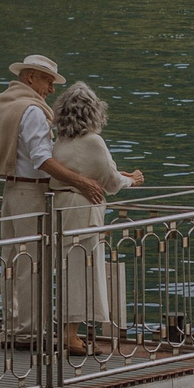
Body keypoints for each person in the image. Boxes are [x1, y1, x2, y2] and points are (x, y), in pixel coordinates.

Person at [0, 54, 111, 341]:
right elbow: (42, 159)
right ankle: (28, 333)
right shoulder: (32, 111)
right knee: (32, 265)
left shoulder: (0, 106)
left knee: (11, 262)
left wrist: (8, 165)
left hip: (10, 192)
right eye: (47, 80)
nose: (51, 89)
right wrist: (83, 182)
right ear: (30, 77)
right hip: (32, 194)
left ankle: (12, 328)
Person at [48, 82, 143, 348]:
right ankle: (69, 336)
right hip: (82, 213)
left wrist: (118, 175)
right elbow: (110, 181)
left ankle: (68, 333)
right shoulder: (93, 141)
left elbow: (91, 171)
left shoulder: (61, 142)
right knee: (82, 273)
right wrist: (132, 180)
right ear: (93, 112)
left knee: (68, 272)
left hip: (62, 209)